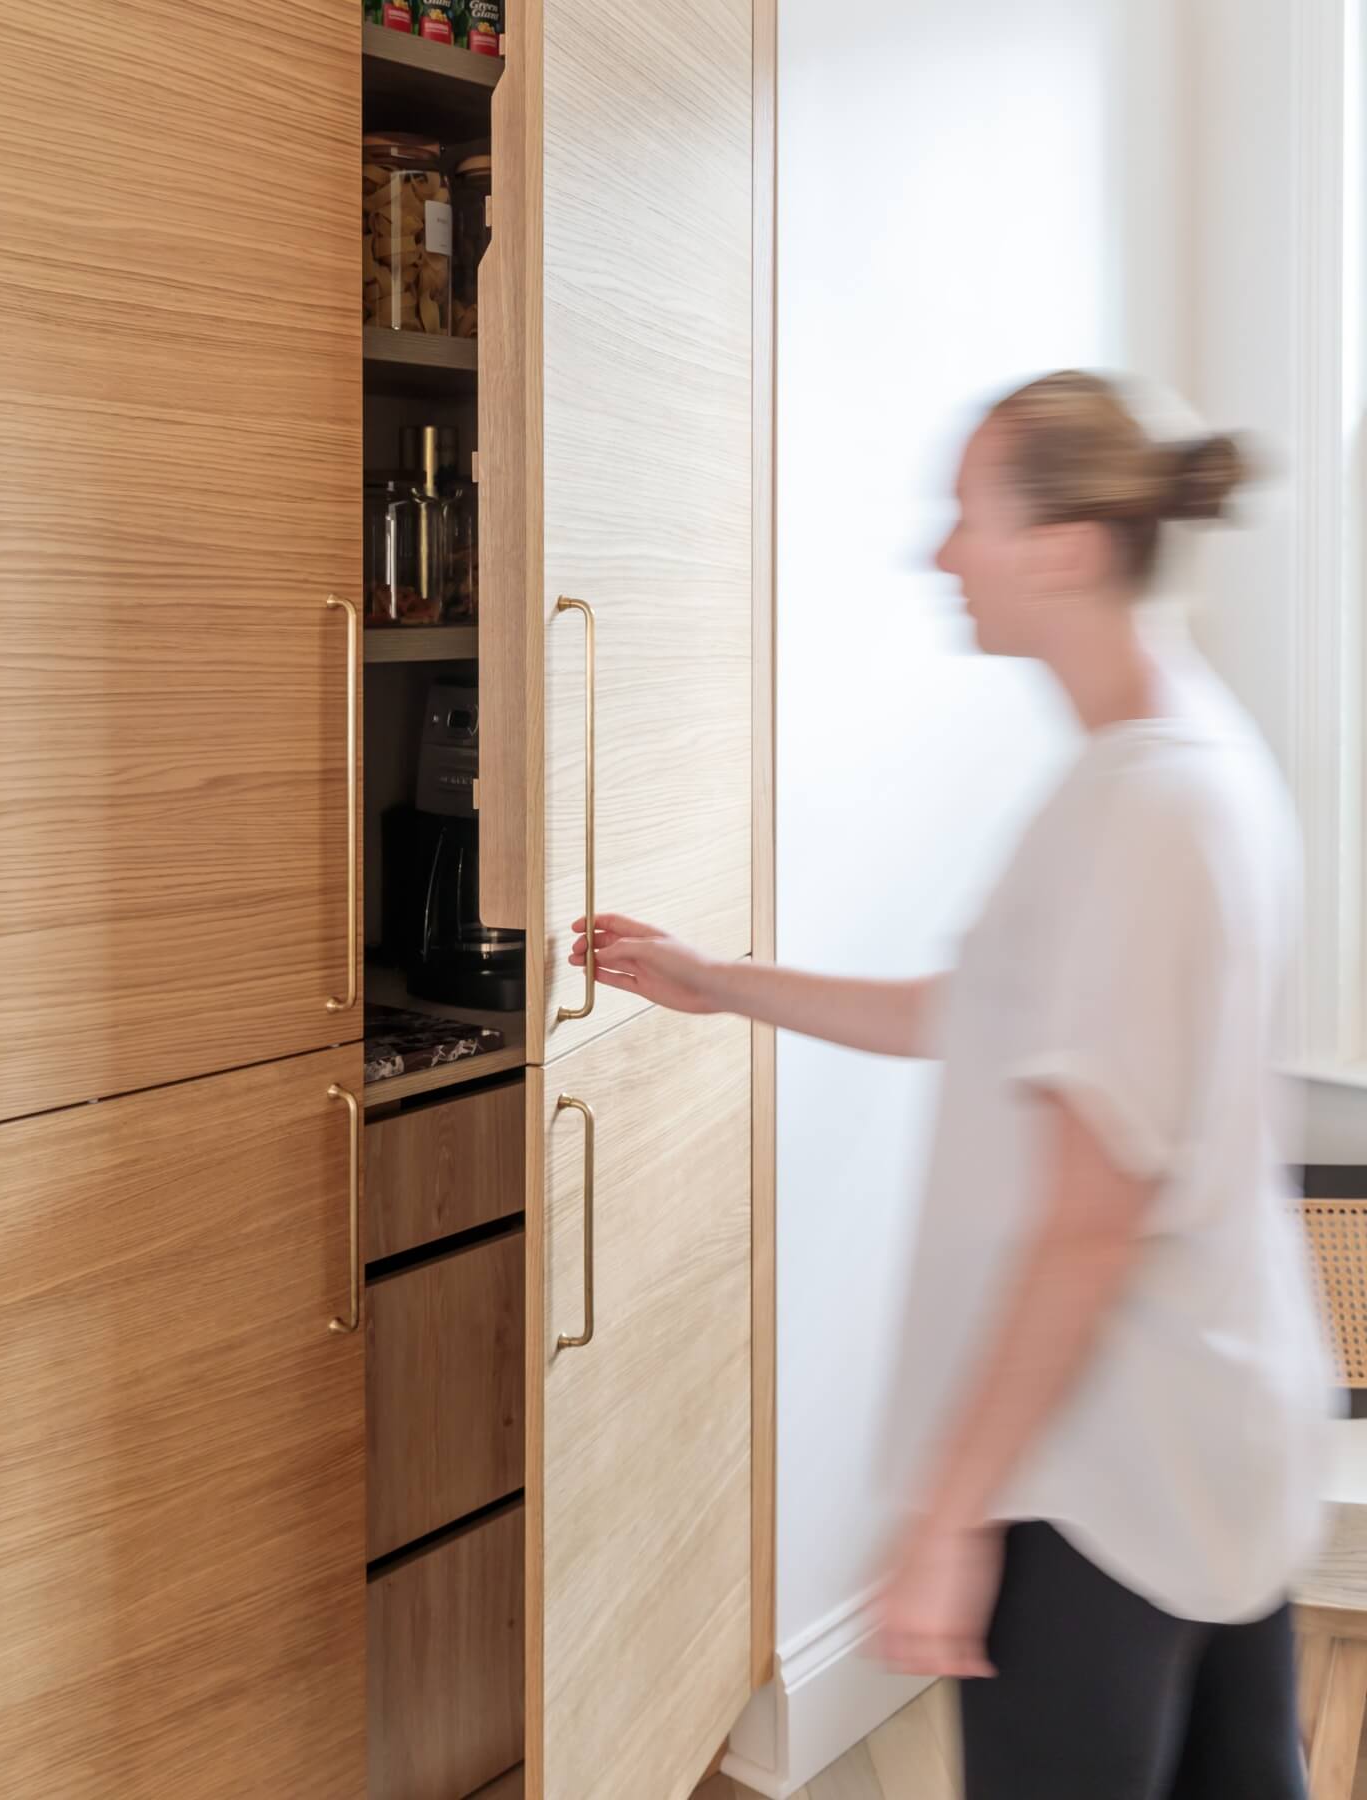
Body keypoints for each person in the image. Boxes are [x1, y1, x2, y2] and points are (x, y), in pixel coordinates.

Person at [570, 371, 1330, 1799]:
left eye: (967, 515)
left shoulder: (1149, 807)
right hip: (1205, 1440)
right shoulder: (1172, 767)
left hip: (1107, 1475)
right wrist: (719, 980)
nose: (941, 552)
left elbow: (1091, 1219)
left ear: (1067, 546)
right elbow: (981, 1018)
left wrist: (951, 1514)